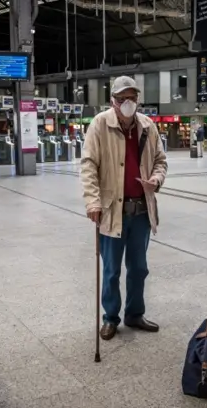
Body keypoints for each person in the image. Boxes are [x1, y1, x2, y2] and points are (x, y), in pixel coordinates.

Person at [80, 76, 168, 341]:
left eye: (132, 99)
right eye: (122, 99)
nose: (127, 104)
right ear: (112, 101)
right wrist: (93, 201)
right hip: (111, 210)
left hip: (141, 210)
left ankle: (134, 314)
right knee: (111, 270)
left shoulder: (148, 126)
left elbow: (161, 161)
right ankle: (110, 318)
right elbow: (88, 165)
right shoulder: (99, 124)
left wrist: (156, 179)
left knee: (139, 268)